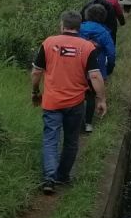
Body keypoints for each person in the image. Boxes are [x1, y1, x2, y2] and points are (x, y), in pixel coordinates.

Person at [32, 12, 107, 195]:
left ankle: (49, 179)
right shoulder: (87, 47)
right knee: (71, 140)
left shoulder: (48, 43)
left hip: (52, 102)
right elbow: (95, 76)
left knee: (51, 140)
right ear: (79, 27)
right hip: (75, 102)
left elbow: (36, 72)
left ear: (62, 25)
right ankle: (63, 176)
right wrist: (101, 99)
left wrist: (35, 91)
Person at [78, 2, 117, 136]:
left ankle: (75, 121)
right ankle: (88, 123)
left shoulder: (79, 28)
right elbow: (111, 54)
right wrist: (109, 68)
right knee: (91, 95)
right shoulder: (104, 32)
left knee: (78, 92)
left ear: (87, 15)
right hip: (97, 66)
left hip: (78, 66)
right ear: (103, 17)